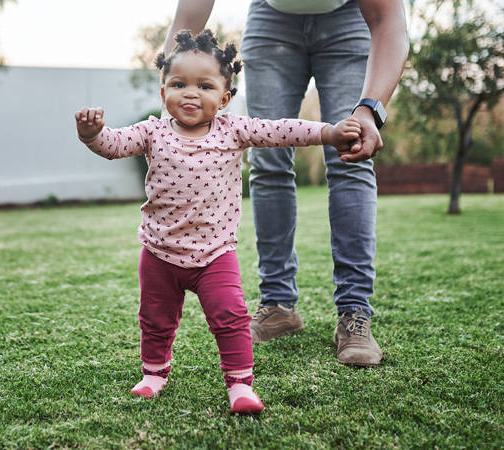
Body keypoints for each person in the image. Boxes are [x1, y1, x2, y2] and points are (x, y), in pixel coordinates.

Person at [75, 29, 364, 414]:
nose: (190, 93)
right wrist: (92, 135)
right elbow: (114, 145)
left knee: (231, 318)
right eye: (178, 84)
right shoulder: (152, 131)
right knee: (155, 319)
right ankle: (154, 373)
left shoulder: (234, 130)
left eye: (205, 85)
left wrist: (327, 132)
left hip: (215, 256)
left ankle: (240, 385)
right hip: (159, 253)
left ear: (225, 99)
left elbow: (281, 130)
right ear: (163, 93)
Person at [165, 0, 408, 366]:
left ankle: (355, 313)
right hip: (271, 20)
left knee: (351, 154)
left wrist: (370, 109)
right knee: (268, 160)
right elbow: (187, 19)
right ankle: (278, 305)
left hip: (349, 19)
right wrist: (170, 93)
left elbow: (390, 21)